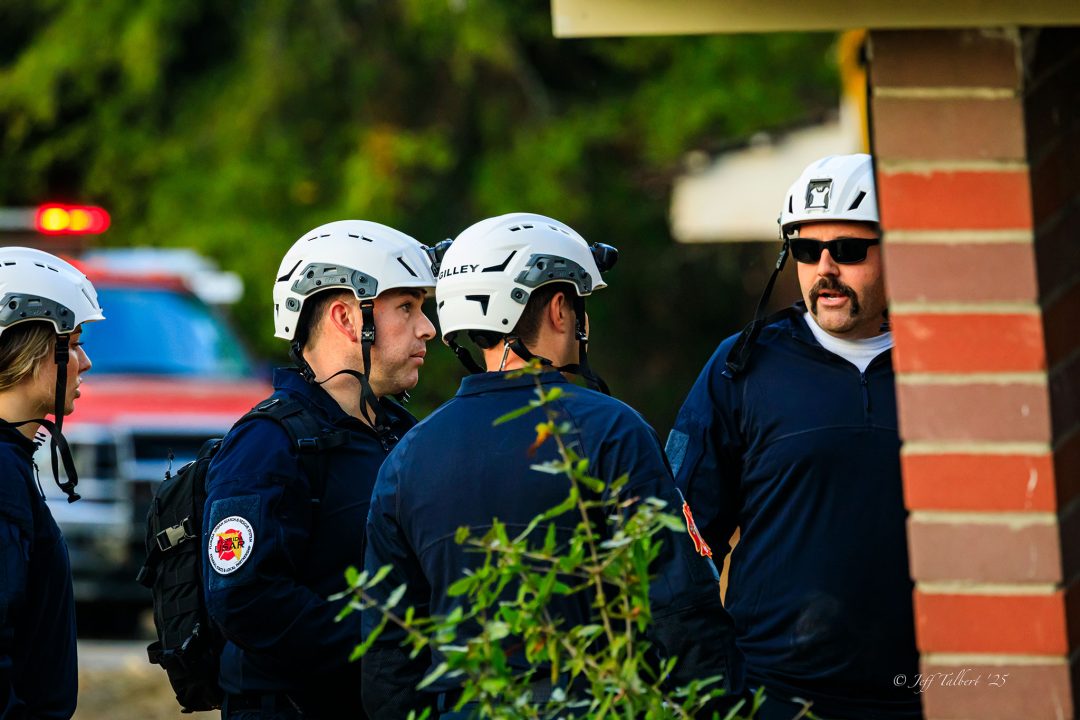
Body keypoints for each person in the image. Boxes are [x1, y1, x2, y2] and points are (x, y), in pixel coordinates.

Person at [361, 212, 740, 719]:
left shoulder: (408, 454)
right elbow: (680, 605)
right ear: (560, 308)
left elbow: (389, 651)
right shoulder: (612, 431)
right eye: (580, 304)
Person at [667, 153, 921, 720]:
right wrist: (709, 678)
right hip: (773, 696)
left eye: (849, 251)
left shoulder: (948, 365)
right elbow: (683, 541)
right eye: (807, 251)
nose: (825, 268)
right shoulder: (741, 367)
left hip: (923, 693)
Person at [202, 220, 437, 719]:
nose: (428, 328)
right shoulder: (267, 444)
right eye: (407, 307)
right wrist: (383, 638)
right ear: (347, 317)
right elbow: (245, 599)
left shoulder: (403, 434)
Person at [1, 247, 105, 719]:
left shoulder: (13, 464)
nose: (84, 362)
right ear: (24, 348)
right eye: (74, 341)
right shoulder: (2, 473)